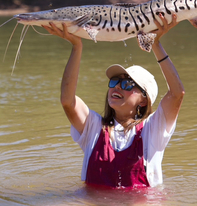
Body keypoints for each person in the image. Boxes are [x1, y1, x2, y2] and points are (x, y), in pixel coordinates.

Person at [44, 13, 185, 188]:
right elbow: (67, 100)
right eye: (114, 81)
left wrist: (155, 43)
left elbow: (177, 93)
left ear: (143, 101)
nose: (117, 87)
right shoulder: (94, 128)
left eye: (127, 84)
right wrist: (76, 46)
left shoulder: (153, 130)